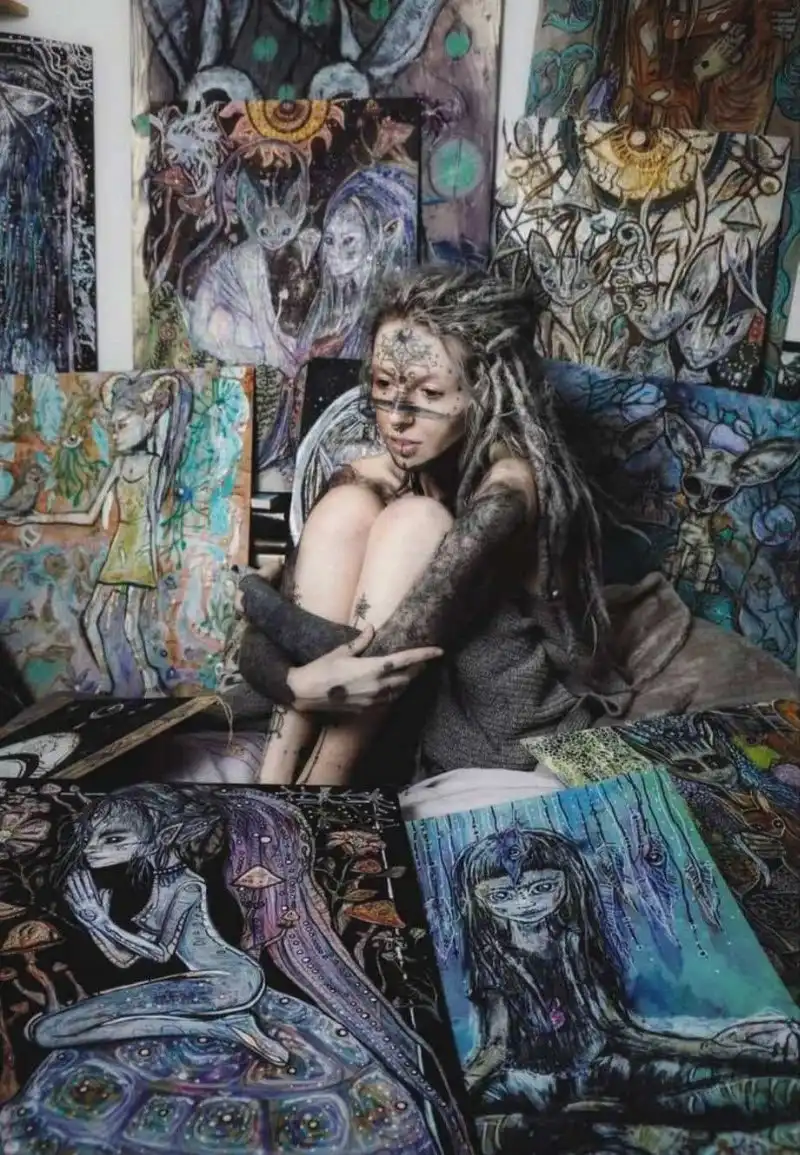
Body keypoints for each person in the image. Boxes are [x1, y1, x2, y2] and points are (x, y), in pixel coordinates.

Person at [235, 267, 800, 787]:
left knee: (414, 518)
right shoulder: (371, 474)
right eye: (384, 385)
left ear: (483, 387)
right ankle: (273, 783)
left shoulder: (510, 487)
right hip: (391, 702)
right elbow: (283, 640)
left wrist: (263, 605)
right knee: (348, 506)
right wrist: (295, 678)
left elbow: (383, 652)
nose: (399, 417)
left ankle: (320, 790)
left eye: (430, 393)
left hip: (494, 719)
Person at [453, 826, 800, 1153]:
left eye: (541, 887)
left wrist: (712, 1049)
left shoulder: (575, 944)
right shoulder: (494, 960)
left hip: (607, 1069)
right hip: (530, 1086)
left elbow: (617, 1029)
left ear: (568, 880)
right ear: (478, 899)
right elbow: (496, 1047)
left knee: (748, 1087)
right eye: (502, 895)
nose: (524, 903)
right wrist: (458, 1090)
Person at [10, 372, 193, 695]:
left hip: (140, 552)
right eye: (113, 427)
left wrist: (153, 562)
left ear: (149, 420)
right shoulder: (119, 466)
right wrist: (41, 516)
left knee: (130, 625)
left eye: (122, 425)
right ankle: (108, 681)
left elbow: (153, 518)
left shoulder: (156, 466)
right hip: (119, 549)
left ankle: (149, 682)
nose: (115, 435)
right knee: (91, 618)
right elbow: (89, 515)